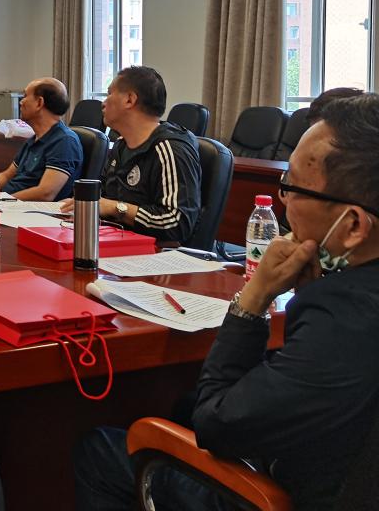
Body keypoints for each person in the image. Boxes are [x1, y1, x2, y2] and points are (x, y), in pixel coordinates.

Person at [74, 93, 379, 511]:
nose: (283, 203)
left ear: (354, 226)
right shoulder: (349, 296)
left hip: (280, 494)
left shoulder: (345, 318)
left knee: (101, 449)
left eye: (291, 188)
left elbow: (215, 421)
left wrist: (253, 299)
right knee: (182, 405)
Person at [62, 66, 201, 244]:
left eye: (109, 94)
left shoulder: (170, 148)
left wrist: (117, 208)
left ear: (129, 100)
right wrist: (86, 209)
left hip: (154, 253)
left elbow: (177, 223)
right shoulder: (121, 145)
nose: (103, 103)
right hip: (115, 241)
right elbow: (103, 198)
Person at [0, 78, 83, 201]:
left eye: (25, 96)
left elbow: (45, 193)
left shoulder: (65, 141)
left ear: (39, 103)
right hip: (8, 204)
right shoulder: (33, 140)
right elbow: (6, 176)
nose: (21, 102)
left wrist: (0, 201)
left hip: (26, 209)